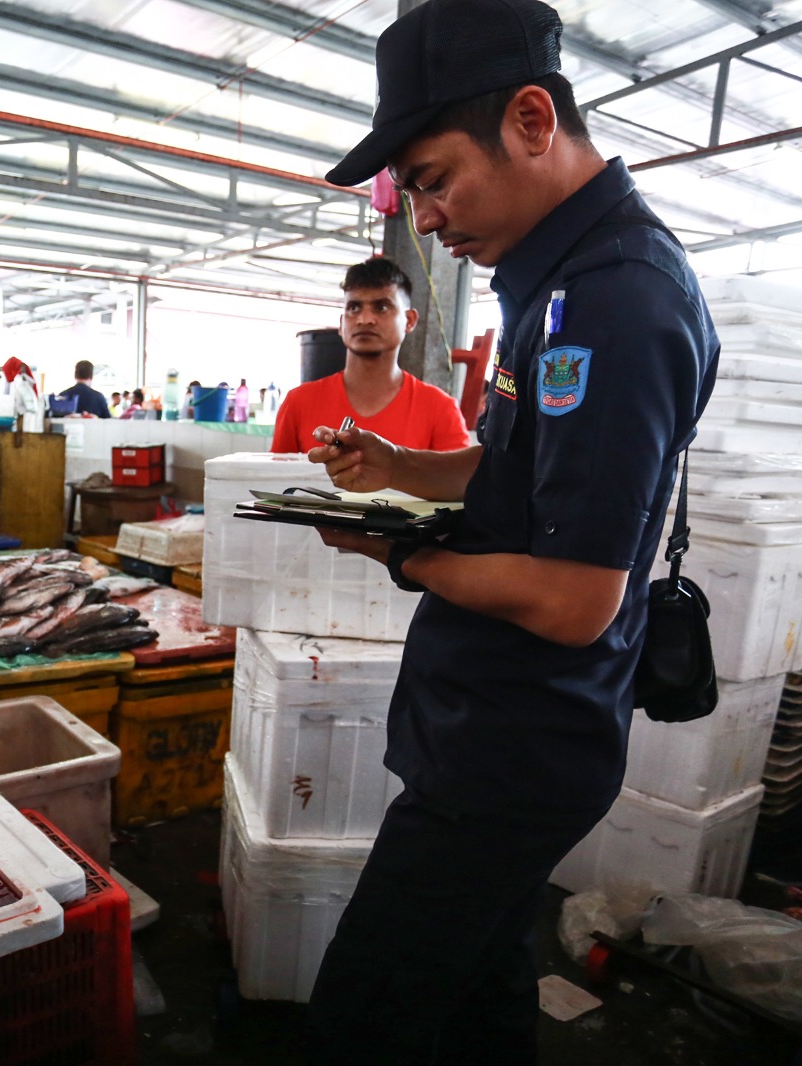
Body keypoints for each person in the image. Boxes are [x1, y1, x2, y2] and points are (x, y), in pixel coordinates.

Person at [302, 2, 719, 1063]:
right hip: (490, 724)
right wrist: (396, 468)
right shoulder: (559, 285)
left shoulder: (615, 302)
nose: (426, 218)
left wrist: (403, 551)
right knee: (479, 996)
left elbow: (577, 600)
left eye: (436, 178)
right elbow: (522, 470)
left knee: (367, 1011)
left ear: (532, 120)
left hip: (511, 754)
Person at [271, 257, 473, 454]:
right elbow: (274, 482)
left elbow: (459, 484)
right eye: (354, 308)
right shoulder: (298, 403)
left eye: (382, 307)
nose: (365, 319)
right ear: (342, 323)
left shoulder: (439, 409)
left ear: (409, 320)